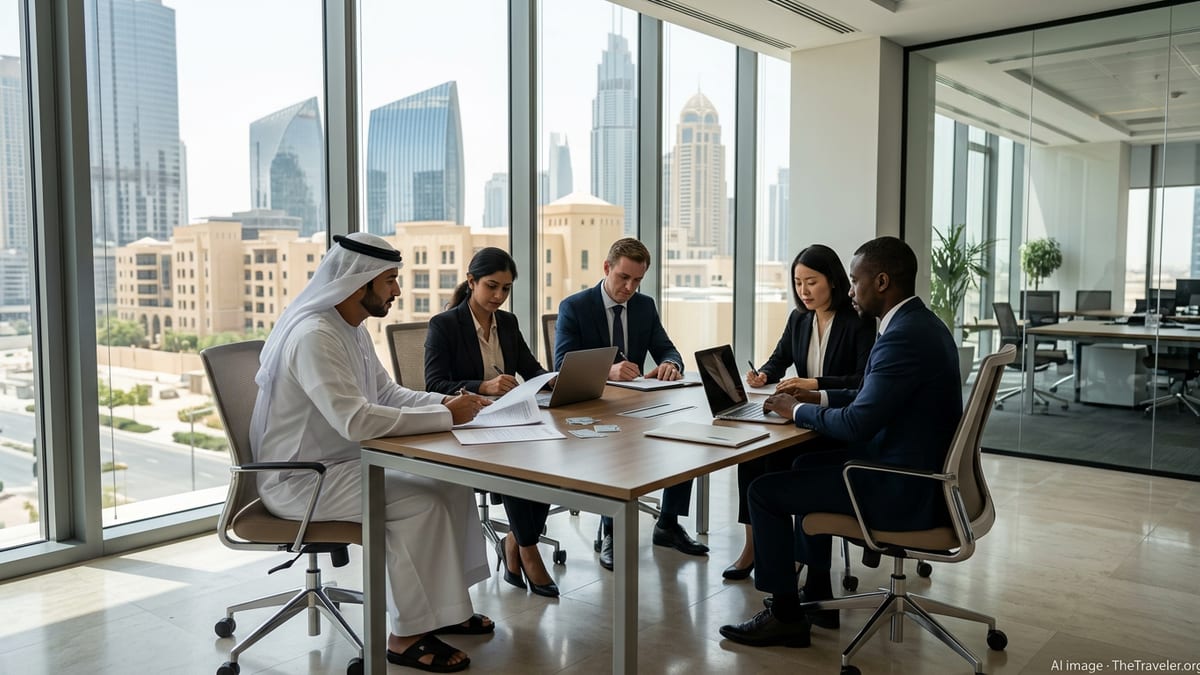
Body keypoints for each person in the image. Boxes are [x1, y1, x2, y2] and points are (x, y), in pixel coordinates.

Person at [249, 232, 495, 673]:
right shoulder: (314, 336)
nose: (397, 291)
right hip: (304, 479)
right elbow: (357, 421)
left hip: (342, 464)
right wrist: (447, 418)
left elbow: (387, 393)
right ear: (358, 283)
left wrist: (450, 403)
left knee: (447, 482)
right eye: (390, 281)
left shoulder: (350, 329)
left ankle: (448, 609)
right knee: (420, 503)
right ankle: (406, 637)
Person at [719, 236, 962, 648]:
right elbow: (871, 393)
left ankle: (784, 615)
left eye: (855, 280)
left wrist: (795, 412)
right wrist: (816, 397)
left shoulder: (901, 336)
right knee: (801, 467)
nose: (851, 290)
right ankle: (815, 594)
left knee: (764, 491)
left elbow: (856, 424)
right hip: (919, 471)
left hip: (902, 486)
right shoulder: (919, 325)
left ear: (881, 281)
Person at [723, 244, 875, 581]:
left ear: (833, 281)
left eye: (811, 282)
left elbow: (862, 379)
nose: (803, 291)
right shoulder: (799, 318)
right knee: (750, 457)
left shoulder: (858, 321)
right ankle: (753, 549)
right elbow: (779, 358)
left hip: (835, 422)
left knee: (779, 462)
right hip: (803, 417)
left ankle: (791, 555)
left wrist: (814, 382)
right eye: (797, 282)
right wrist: (763, 374)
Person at [555, 237, 705, 571]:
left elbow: (668, 348)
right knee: (618, 452)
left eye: (637, 280)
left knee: (685, 438)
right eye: (624, 277)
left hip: (634, 404)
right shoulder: (575, 306)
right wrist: (608, 370)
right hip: (591, 406)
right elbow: (561, 364)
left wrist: (671, 365)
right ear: (607, 268)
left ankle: (667, 523)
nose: (630, 287)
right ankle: (611, 531)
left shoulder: (644, 306)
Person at [424, 247, 560, 598]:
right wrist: (481, 387)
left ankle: (515, 540)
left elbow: (531, 369)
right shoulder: (445, 325)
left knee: (545, 452)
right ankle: (527, 550)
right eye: (491, 286)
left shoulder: (509, 323)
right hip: (467, 423)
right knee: (516, 459)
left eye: (506, 289)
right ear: (471, 282)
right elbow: (433, 384)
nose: (499, 296)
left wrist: (554, 379)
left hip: (509, 419)